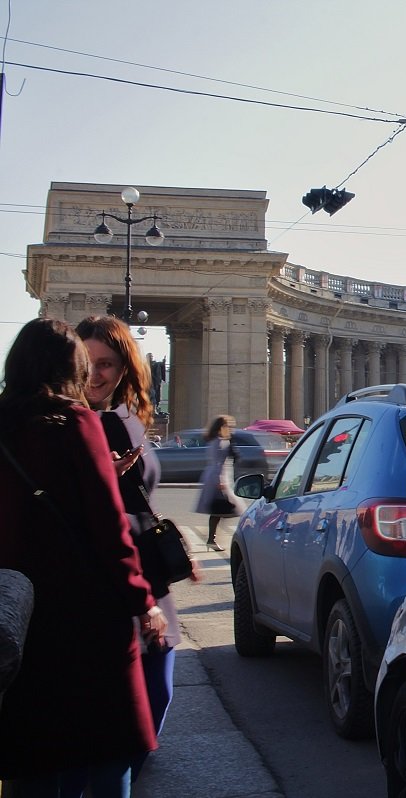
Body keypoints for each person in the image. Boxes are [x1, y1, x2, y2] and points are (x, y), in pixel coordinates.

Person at [0, 318, 165, 798]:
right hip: (84, 614)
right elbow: (108, 527)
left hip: (14, 611)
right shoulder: (77, 424)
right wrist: (143, 600)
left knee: (27, 752)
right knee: (104, 748)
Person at [76, 315, 197, 782]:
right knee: (130, 700)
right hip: (105, 578)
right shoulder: (73, 424)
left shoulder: (125, 420)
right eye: (87, 363)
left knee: (158, 690)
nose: (96, 374)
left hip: (144, 572)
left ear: (125, 369)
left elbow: (140, 500)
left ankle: (121, 771)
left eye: (107, 364)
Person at [195, 414, 241, 551]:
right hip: (218, 478)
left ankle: (211, 538)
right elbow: (217, 463)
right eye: (229, 426)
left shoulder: (219, 440)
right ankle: (211, 538)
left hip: (218, 478)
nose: (231, 429)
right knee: (225, 509)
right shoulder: (219, 442)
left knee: (219, 510)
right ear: (222, 427)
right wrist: (220, 481)